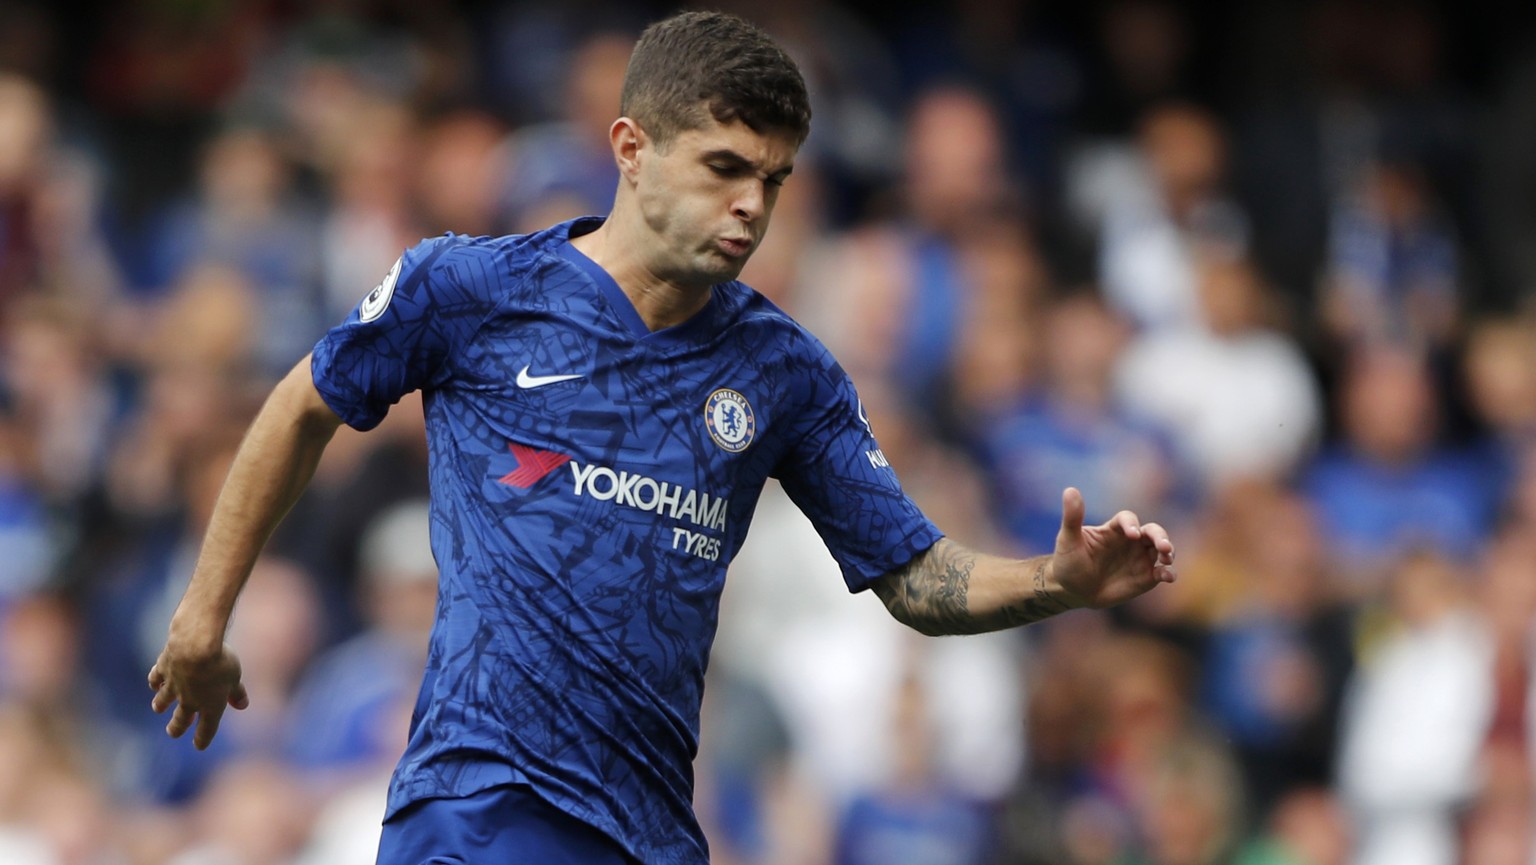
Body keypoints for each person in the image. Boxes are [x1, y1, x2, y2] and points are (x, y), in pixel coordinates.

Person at [147, 11, 1177, 865]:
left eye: (772, 181)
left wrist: (1059, 583)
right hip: (478, 806)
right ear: (631, 149)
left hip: (649, 835)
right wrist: (203, 614)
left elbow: (916, 578)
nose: (749, 206)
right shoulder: (469, 290)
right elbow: (300, 406)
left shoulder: (787, 372)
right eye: (725, 166)